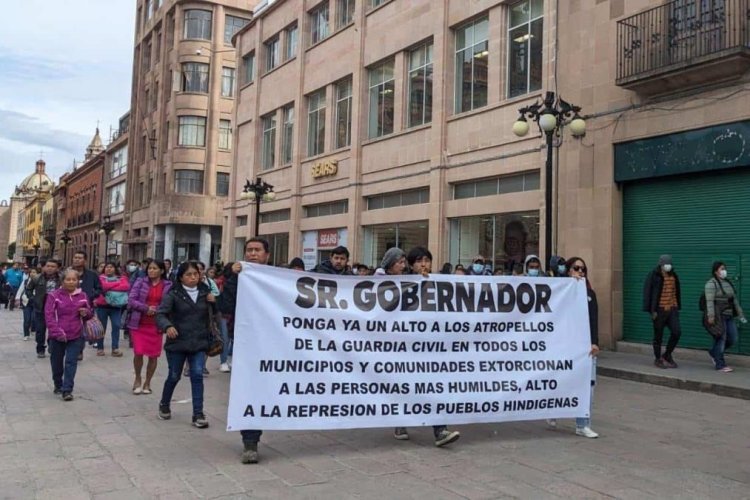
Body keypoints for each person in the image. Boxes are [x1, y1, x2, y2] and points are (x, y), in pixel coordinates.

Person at [390, 246, 461, 447]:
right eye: (419, 261)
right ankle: (400, 422)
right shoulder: (400, 285)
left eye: (427, 260)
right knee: (406, 385)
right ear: (411, 265)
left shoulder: (439, 284)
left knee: (434, 386)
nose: (424, 264)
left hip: (431, 346)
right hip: (406, 346)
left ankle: (440, 430)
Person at [221, 238, 271, 464]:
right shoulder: (236, 278)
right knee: (250, 388)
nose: (252, 254)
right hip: (246, 342)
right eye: (248, 250)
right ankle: (250, 441)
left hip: (274, 342)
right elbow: (225, 306)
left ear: (266, 255)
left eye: (257, 250)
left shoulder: (277, 278)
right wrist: (232, 277)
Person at [156, 261, 215, 428]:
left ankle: (198, 413)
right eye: (189, 275)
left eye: (196, 274)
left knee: (197, 375)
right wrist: (168, 326)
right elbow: (161, 314)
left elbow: (217, 314)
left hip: (199, 342)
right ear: (181, 277)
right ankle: (164, 404)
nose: (193, 277)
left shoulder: (205, 292)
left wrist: (214, 301)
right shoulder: (174, 293)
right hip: (178, 343)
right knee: (174, 375)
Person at [547, 257, 600, 438]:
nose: (580, 272)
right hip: (564, 344)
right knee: (561, 380)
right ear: (568, 270)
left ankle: (582, 423)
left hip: (585, 346)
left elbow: (594, 319)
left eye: (583, 269)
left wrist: (595, 342)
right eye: (576, 268)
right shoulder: (561, 291)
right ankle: (552, 411)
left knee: (588, 385)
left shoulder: (590, 294)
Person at [45, 268, 94, 400]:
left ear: (78, 281)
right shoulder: (54, 296)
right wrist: (56, 332)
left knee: (71, 362)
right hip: (57, 336)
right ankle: (58, 384)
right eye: (68, 279)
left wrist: (86, 313)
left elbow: (89, 314)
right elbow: (49, 316)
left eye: (74, 279)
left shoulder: (82, 296)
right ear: (62, 281)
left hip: (76, 335)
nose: (71, 282)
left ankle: (67, 390)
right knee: (56, 363)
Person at [128, 260, 172, 394]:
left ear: (162, 271)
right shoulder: (140, 282)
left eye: (155, 268)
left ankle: (148, 382)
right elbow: (131, 299)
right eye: (149, 268)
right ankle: (137, 379)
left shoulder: (168, 285)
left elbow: (169, 303)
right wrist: (146, 308)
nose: (151, 271)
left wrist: (156, 309)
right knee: (138, 352)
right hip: (139, 323)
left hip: (156, 324)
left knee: (153, 355)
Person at [704, 262, 746, 372]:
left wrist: (740, 314)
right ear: (715, 271)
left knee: (733, 338)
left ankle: (714, 352)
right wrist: (711, 316)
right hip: (718, 317)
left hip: (729, 315)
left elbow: (734, 301)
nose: (724, 271)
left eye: (724, 268)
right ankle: (720, 364)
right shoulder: (711, 284)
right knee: (721, 339)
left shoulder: (728, 283)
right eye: (722, 269)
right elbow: (709, 302)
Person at [642, 255, 681, 369]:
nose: (668, 266)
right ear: (661, 264)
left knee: (677, 332)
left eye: (669, 263)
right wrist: (651, 310)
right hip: (659, 310)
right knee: (658, 336)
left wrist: (676, 306)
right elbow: (647, 292)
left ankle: (667, 355)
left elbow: (676, 292)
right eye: (665, 264)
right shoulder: (654, 275)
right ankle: (658, 358)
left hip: (672, 309)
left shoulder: (674, 275)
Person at [93, 262, 129, 357]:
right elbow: (103, 287)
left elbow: (125, 287)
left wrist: (110, 287)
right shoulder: (100, 278)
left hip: (116, 306)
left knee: (116, 326)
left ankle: (115, 348)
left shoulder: (122, 278)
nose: (109, 269)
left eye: (111, 267)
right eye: (107, 267)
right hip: (102, 306)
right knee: (102, 328)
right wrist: (116, 284)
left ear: (115, 269)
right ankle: (100, 348)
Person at [28, 259, 62, 358]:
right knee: (40, 330)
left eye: (53, 266)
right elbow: (28, 289)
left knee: (54, 328)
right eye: (48, 266)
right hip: (41, 307)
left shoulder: (61, 278)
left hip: (56, 308)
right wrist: (33, 299)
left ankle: (52, 345)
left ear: (57, 268)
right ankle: (40, 349)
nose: (50, 268)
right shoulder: (37, 278)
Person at [16, 268, 38, 340]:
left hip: (36, 302)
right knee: (27, 319)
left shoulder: (40, 282)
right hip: (27, 302)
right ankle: (26, 334)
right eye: (31, 272)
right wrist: (18, 298)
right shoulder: (25, 281)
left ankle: (33, 329)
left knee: (34, 318)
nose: (32, 273)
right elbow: (20, 289)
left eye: (34, 272)